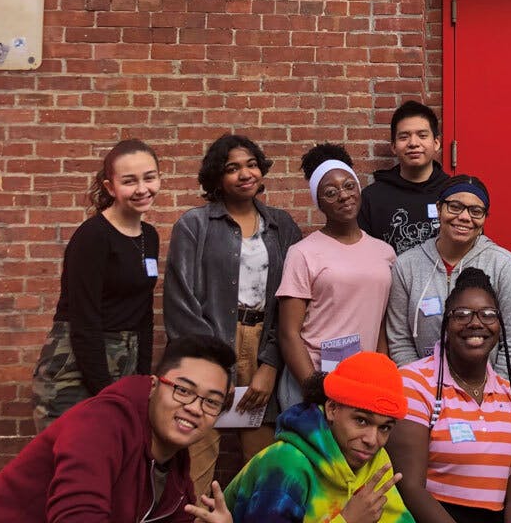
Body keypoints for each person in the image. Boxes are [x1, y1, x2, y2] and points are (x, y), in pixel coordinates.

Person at [0, 335, 237, 523]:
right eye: (182, 390)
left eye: (212, 401)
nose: (195, 407)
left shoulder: (176, 475)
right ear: (153, 386)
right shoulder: (103, 422)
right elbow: (77, 516)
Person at [165, 133, 304, 499]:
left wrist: (270, 365)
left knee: (264, 472)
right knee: (193, 466)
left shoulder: (282, 227)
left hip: (263, 347)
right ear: (217, 177)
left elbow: (291, 302)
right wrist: (216, 368)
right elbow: (180, 304)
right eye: (232, 168)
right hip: (208, 348)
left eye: (252, 165)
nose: (245, 174)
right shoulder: (194, 225)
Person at [387, 267, 511, 523]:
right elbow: (409, 486)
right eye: (462, 314)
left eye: (488, 315)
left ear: (499, 326)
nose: (476, 323)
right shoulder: (413, 384)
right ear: (446, 324)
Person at [30, 138, 163, 431]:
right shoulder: (93, 237)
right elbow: (84, 322)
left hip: (125, 360)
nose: (142, 189)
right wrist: (106, 392)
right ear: (110, 187)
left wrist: (140, 381)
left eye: (149, 178)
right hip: (77, 366)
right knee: (71, 451)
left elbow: (143, 314)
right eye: (129, 181)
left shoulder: (149, 236)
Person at [225, 352, 413, 523]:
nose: (372, 440)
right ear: (332, 409)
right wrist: (348, 520)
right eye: (361, 421)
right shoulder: (287, 461)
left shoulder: (375, 459)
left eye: (384, 427)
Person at [277, 144, 397, 408]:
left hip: (362, 380)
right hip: (311, 379)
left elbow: (380, 322)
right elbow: (288, 332)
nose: (343, 195)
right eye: (331, 193)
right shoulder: (302, 253)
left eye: (349, 186)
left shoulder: (385, 252)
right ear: (319, 203)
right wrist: (316, 389)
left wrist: (381, 370)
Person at [386, 175, 511, 383]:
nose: (464, 217)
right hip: (424, 391)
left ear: (484, 218)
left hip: (493, 391)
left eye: (476, 211)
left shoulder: (503, 265)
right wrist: (422, 388)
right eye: (455, 207)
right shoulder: (407, 266)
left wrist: (493, 389)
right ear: (439, 208)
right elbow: (400, 340)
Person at [359, 100, 452, 255]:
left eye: (422, 135)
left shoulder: (454, 193)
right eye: (404, 137)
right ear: (393, 146)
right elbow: (361, 256)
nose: (413, 143)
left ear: (436, 143)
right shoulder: (372, 198)